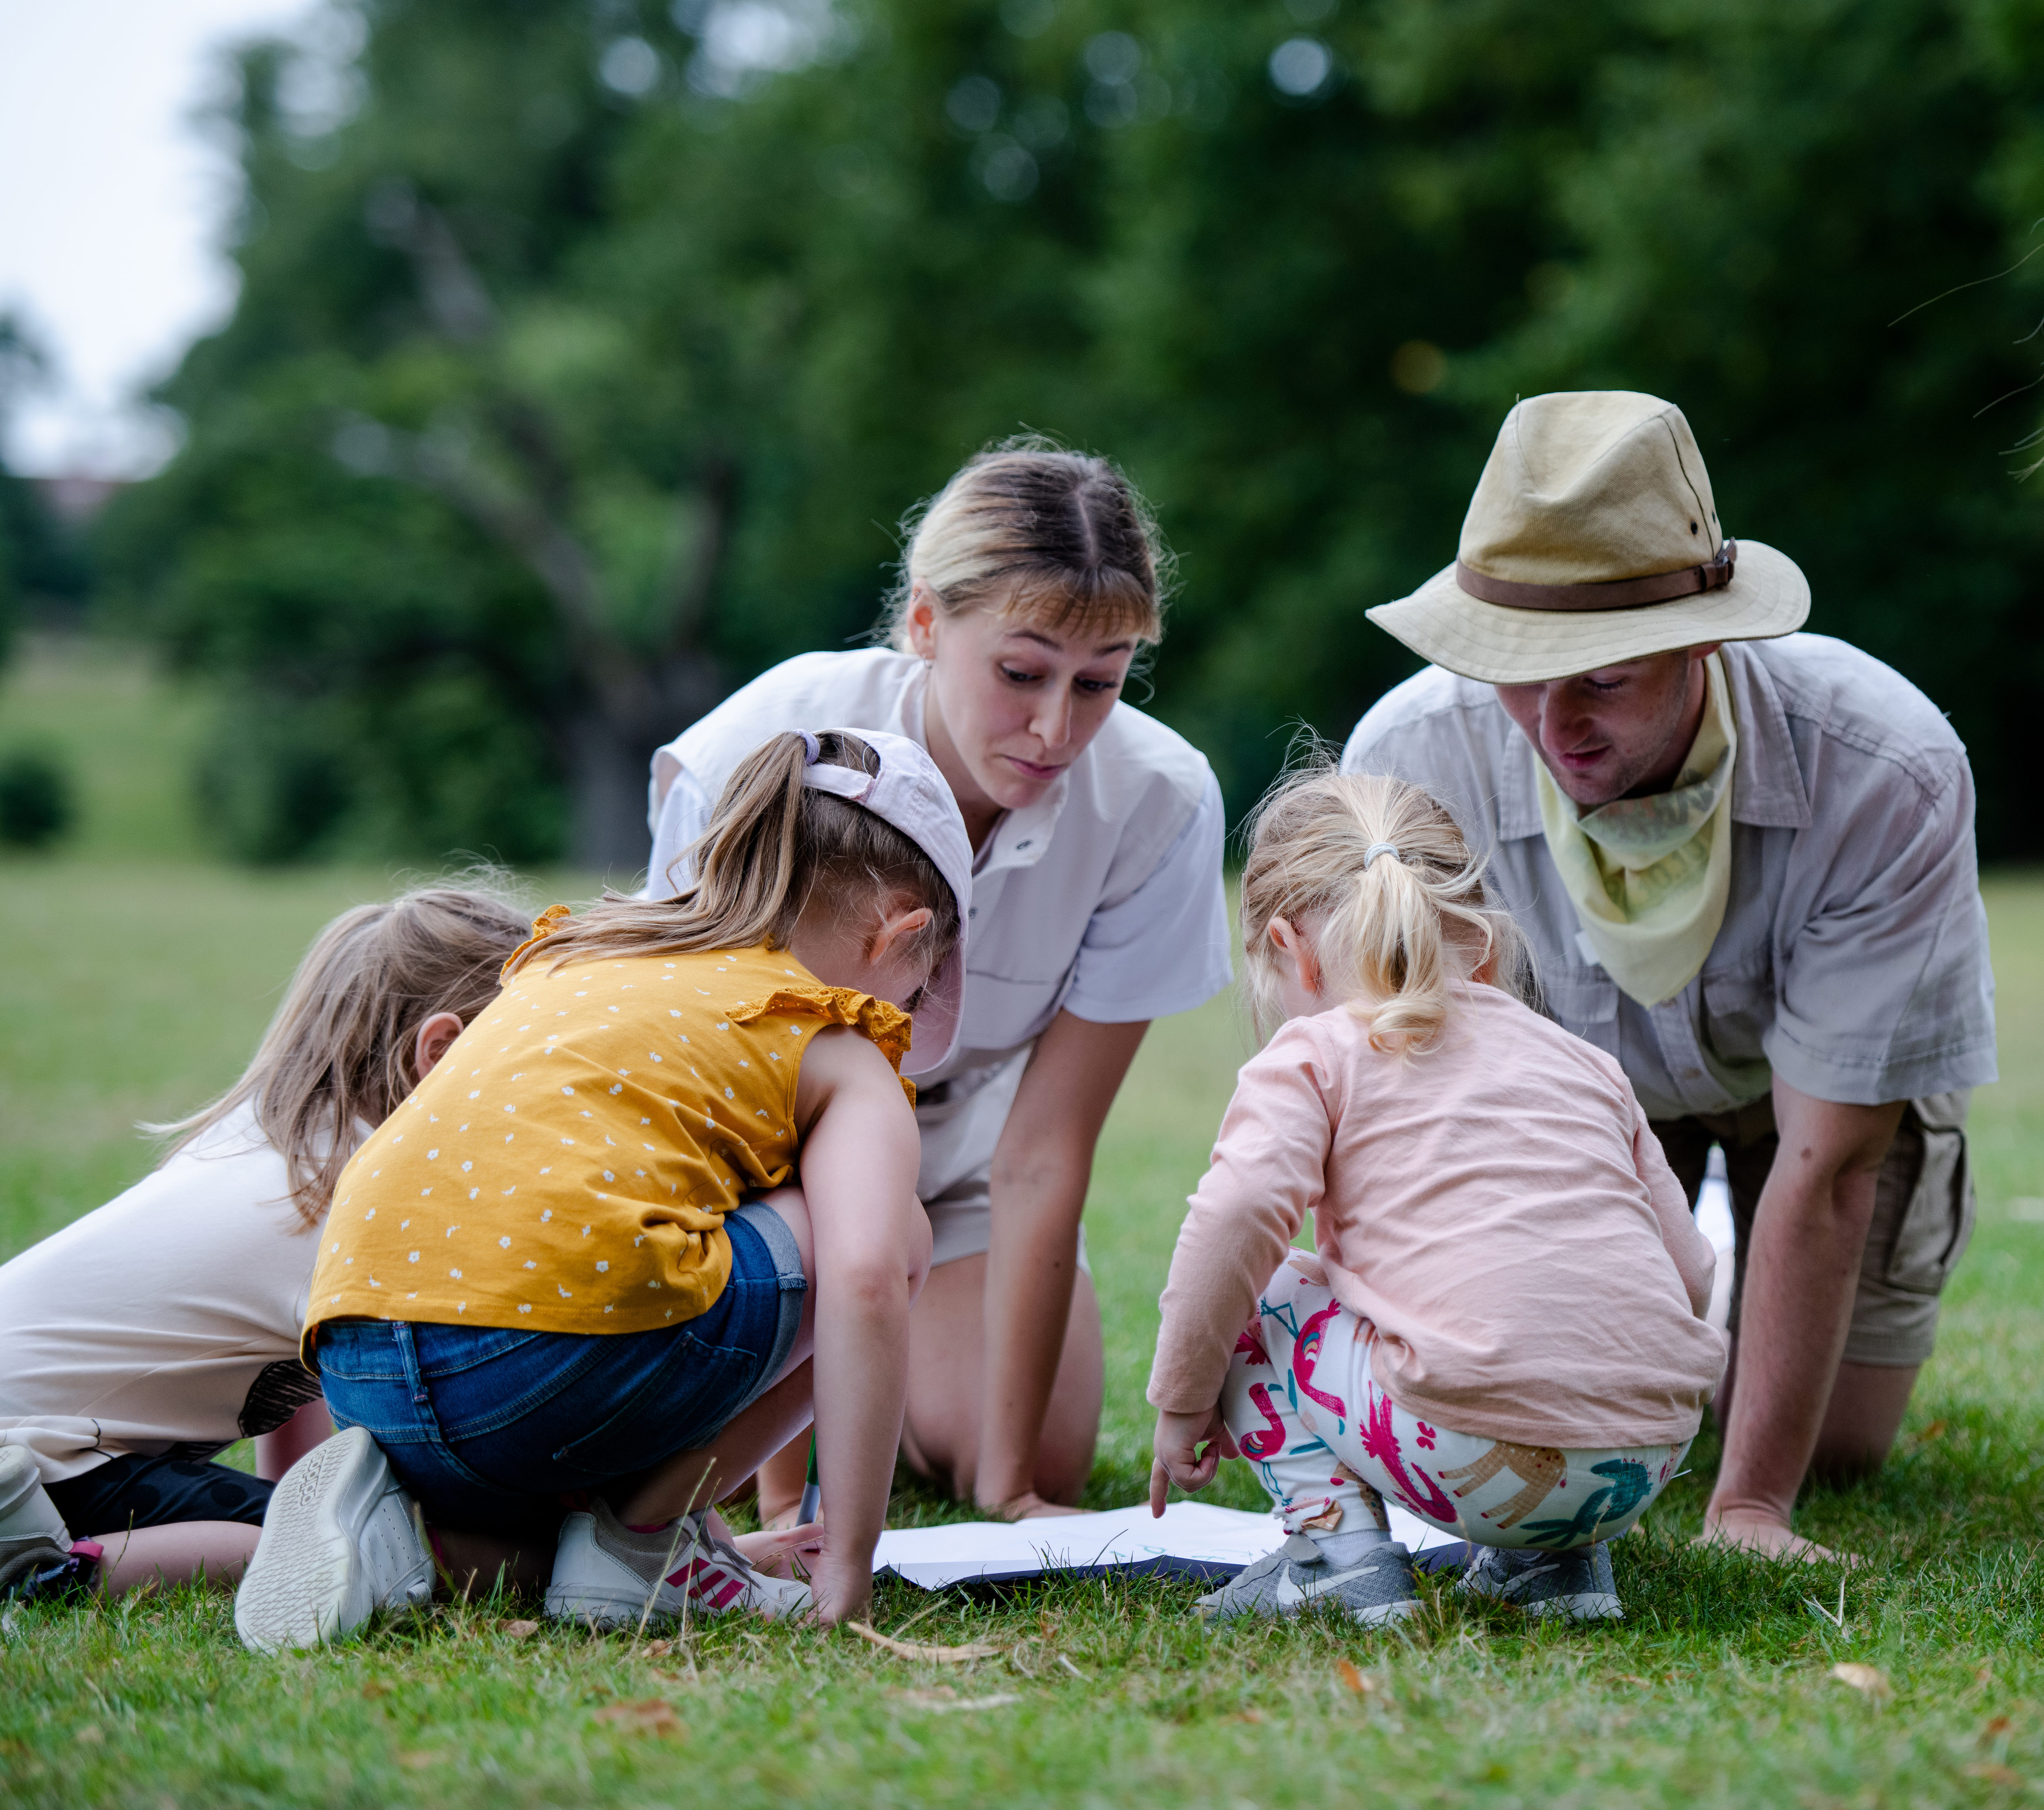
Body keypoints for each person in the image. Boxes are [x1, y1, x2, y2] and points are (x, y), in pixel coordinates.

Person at [1345, 390, 1997, 1562]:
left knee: (1837, 1448)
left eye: (1598, 675)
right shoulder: (1409, 760)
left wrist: (1749, 1505)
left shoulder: (1882, 765)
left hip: (1805, 1105)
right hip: (1564, 1106)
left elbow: (1830, 1158)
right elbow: (1403, 1104)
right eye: (1514, 669)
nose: (1551, 723)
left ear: (1704, 636)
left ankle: (1722, 1294)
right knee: (1567, 1401)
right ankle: (1676, 1286)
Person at [232, 728, 974, 1647]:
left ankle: (400, 1527)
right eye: (921, 980)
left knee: (532, 1545)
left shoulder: (578, 961)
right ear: (902, 933)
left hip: (359, 1366)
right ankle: (647, 1537)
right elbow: (866, 1273)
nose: (906, 1008)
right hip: (537, 1371)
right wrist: (854, 1560)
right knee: (897, 1225)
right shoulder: (831, 1036)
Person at [644, 443, 1230, 1521]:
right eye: (1021, 671)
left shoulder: (1160, 801)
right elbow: (699, 1087)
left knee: (1049, 1454)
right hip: (745, 1161)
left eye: (1099, 682)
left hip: (957, 1157)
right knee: (661, 1460)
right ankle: (847, 1367)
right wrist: (784, 1495)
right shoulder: (763, 752)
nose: (1057, 727)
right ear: (924, 623)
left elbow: (1047, 1150)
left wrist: (1012, 1490)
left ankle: (901, 1372)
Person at [1147, 765, 1723, 1625]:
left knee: (1272, 1288)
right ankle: (1553, 1571)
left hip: (1468, 1446)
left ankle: (1334, 1557)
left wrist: (1185, 1395)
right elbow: (1690, 1270)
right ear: (1480, 939)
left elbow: (1234, 1218)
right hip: (1646, 1457)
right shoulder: (1583, 1062)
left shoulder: (1318, 1050)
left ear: (1291, 950)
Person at [0, 886, 529, 1603]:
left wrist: (302, 1493)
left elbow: (306, 1382)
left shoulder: (275, 1143)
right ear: (439, 1054)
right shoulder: (360, 1199)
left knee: (304, 1515)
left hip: (45, 1443)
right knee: (352, 1543)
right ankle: (49, 1574)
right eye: (537, 1065)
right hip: (34, 1466)